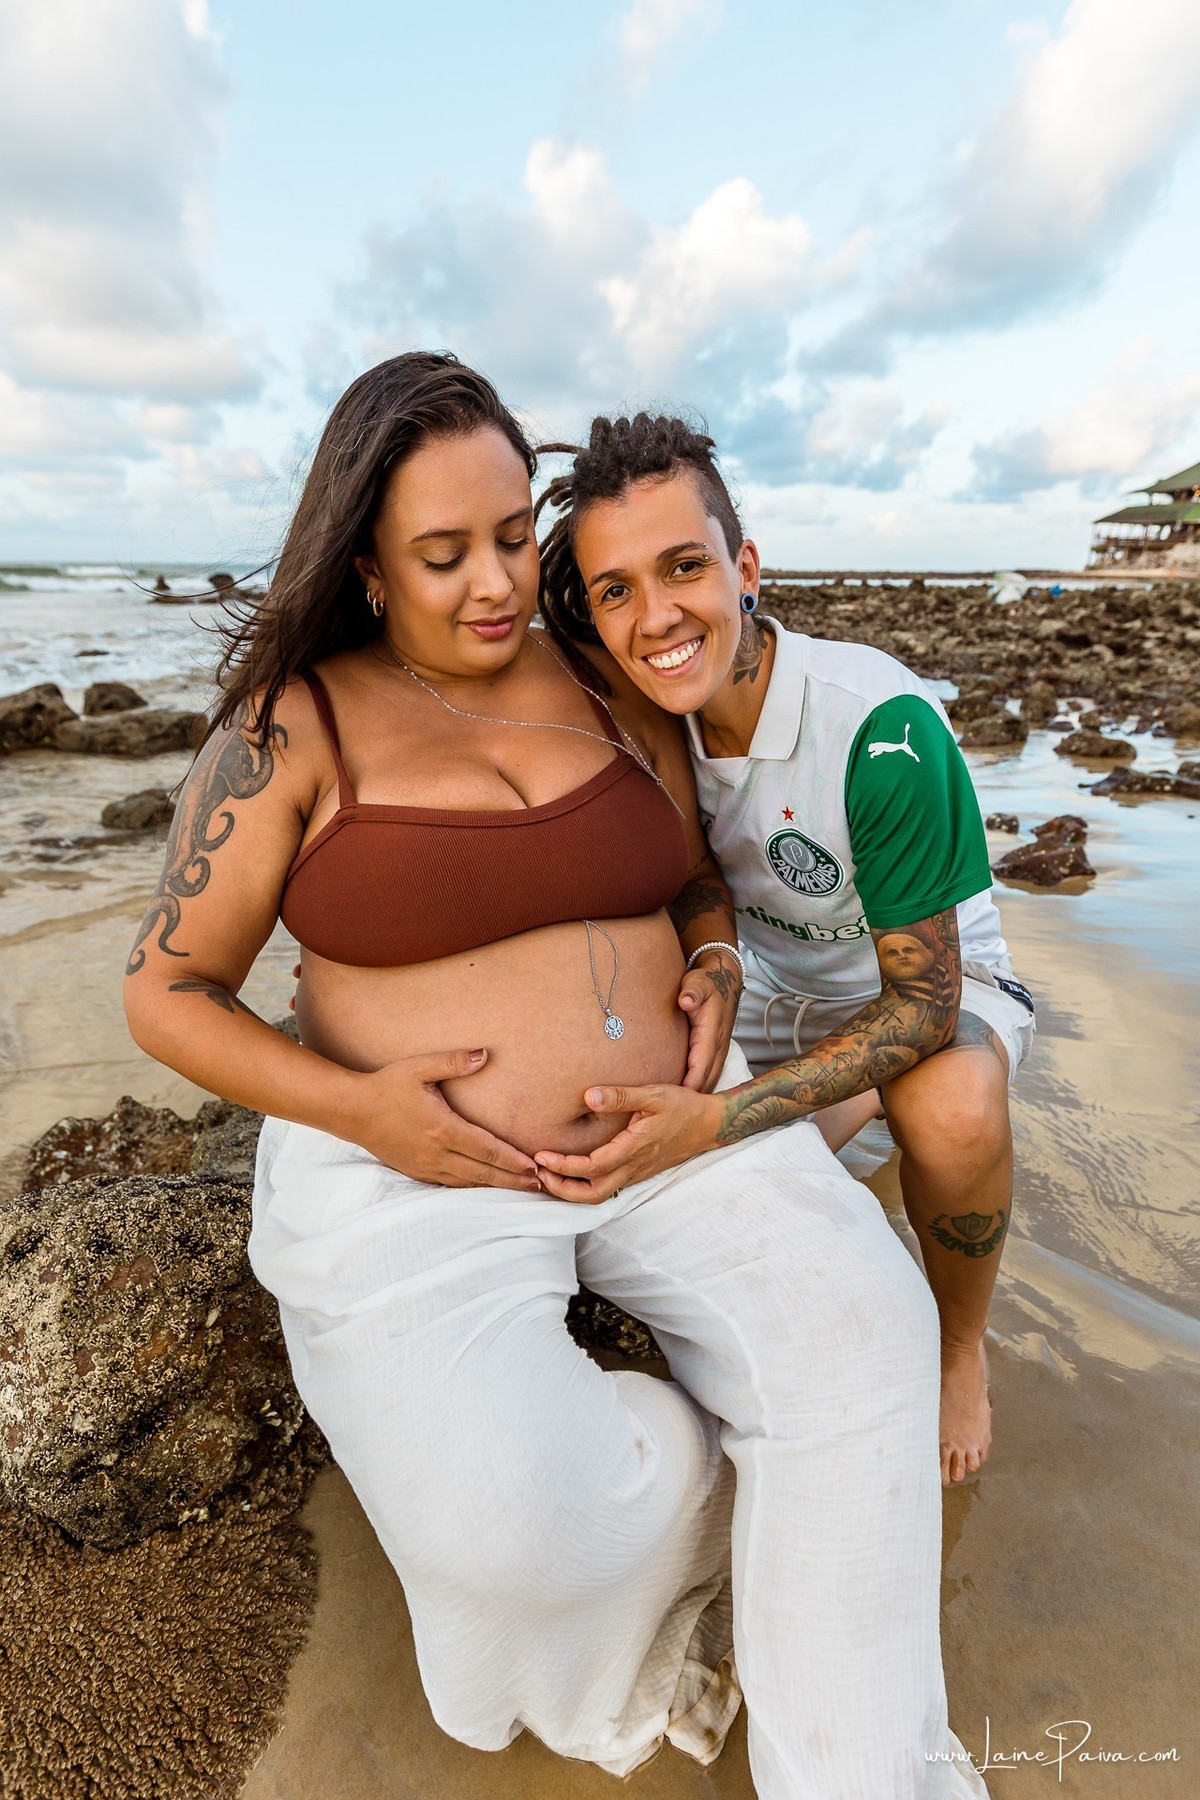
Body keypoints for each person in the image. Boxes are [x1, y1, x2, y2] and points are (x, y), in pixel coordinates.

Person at [123, 352, 988, 1797]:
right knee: (514, 1519)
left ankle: (861, 1770)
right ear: (371, 567)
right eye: (444, 554)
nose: (498, 583)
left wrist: (712, 963)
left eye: (517, 536)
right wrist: (358, 1107)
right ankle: (709, 1523)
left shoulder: (602, 672)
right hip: (414, 1170)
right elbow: (163, 991)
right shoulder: (290, 725)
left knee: (868, 1337)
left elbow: (690, 874)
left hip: (674, 1136)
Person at [534, 414, 1036, 1486]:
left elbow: (922, 1011)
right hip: (769, 981)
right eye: (616, 589)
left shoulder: (878, 728)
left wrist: (722, 1120)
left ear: (745, 568)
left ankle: (957, 1348)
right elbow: (699, 865)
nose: (656, 616)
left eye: (683, 568)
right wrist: (712, 963)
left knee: (945, 1108)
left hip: (928, 987)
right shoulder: (639, 713)